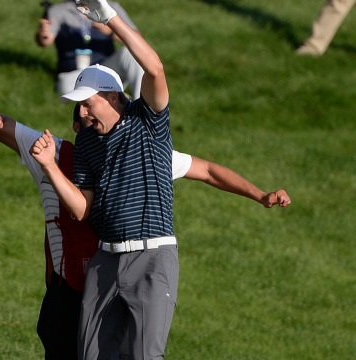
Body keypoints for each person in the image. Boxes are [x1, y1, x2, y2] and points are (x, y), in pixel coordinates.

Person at [28, 1, 291, 359]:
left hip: (152, 258)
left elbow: (154, 68)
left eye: (87, 104)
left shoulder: (147, 120)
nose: (83, 112)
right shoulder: (87, 141)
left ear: (112, 97)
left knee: (143, 355)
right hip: (105, 261)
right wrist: (49, 167)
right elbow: (80, 209)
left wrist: (112, 21)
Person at [0, 101, 291, 360]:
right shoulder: (52, 153)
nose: (97, 138)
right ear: (76, 130)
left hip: (118, 283)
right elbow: (3, 128)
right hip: (68, 294)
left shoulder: (142, 155)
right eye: (87, 125)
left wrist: (260, 195)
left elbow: (207, 170)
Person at [35, 0, 144, 97]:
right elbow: (45, 41)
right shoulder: (60, 10)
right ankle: (113, 96)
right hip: (74, 73)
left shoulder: (111, 8)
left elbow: (138, 40)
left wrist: (111, 31)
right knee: (65, 86)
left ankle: (141, 106)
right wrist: (43, 33)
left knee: (130, 53)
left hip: (105, 68)